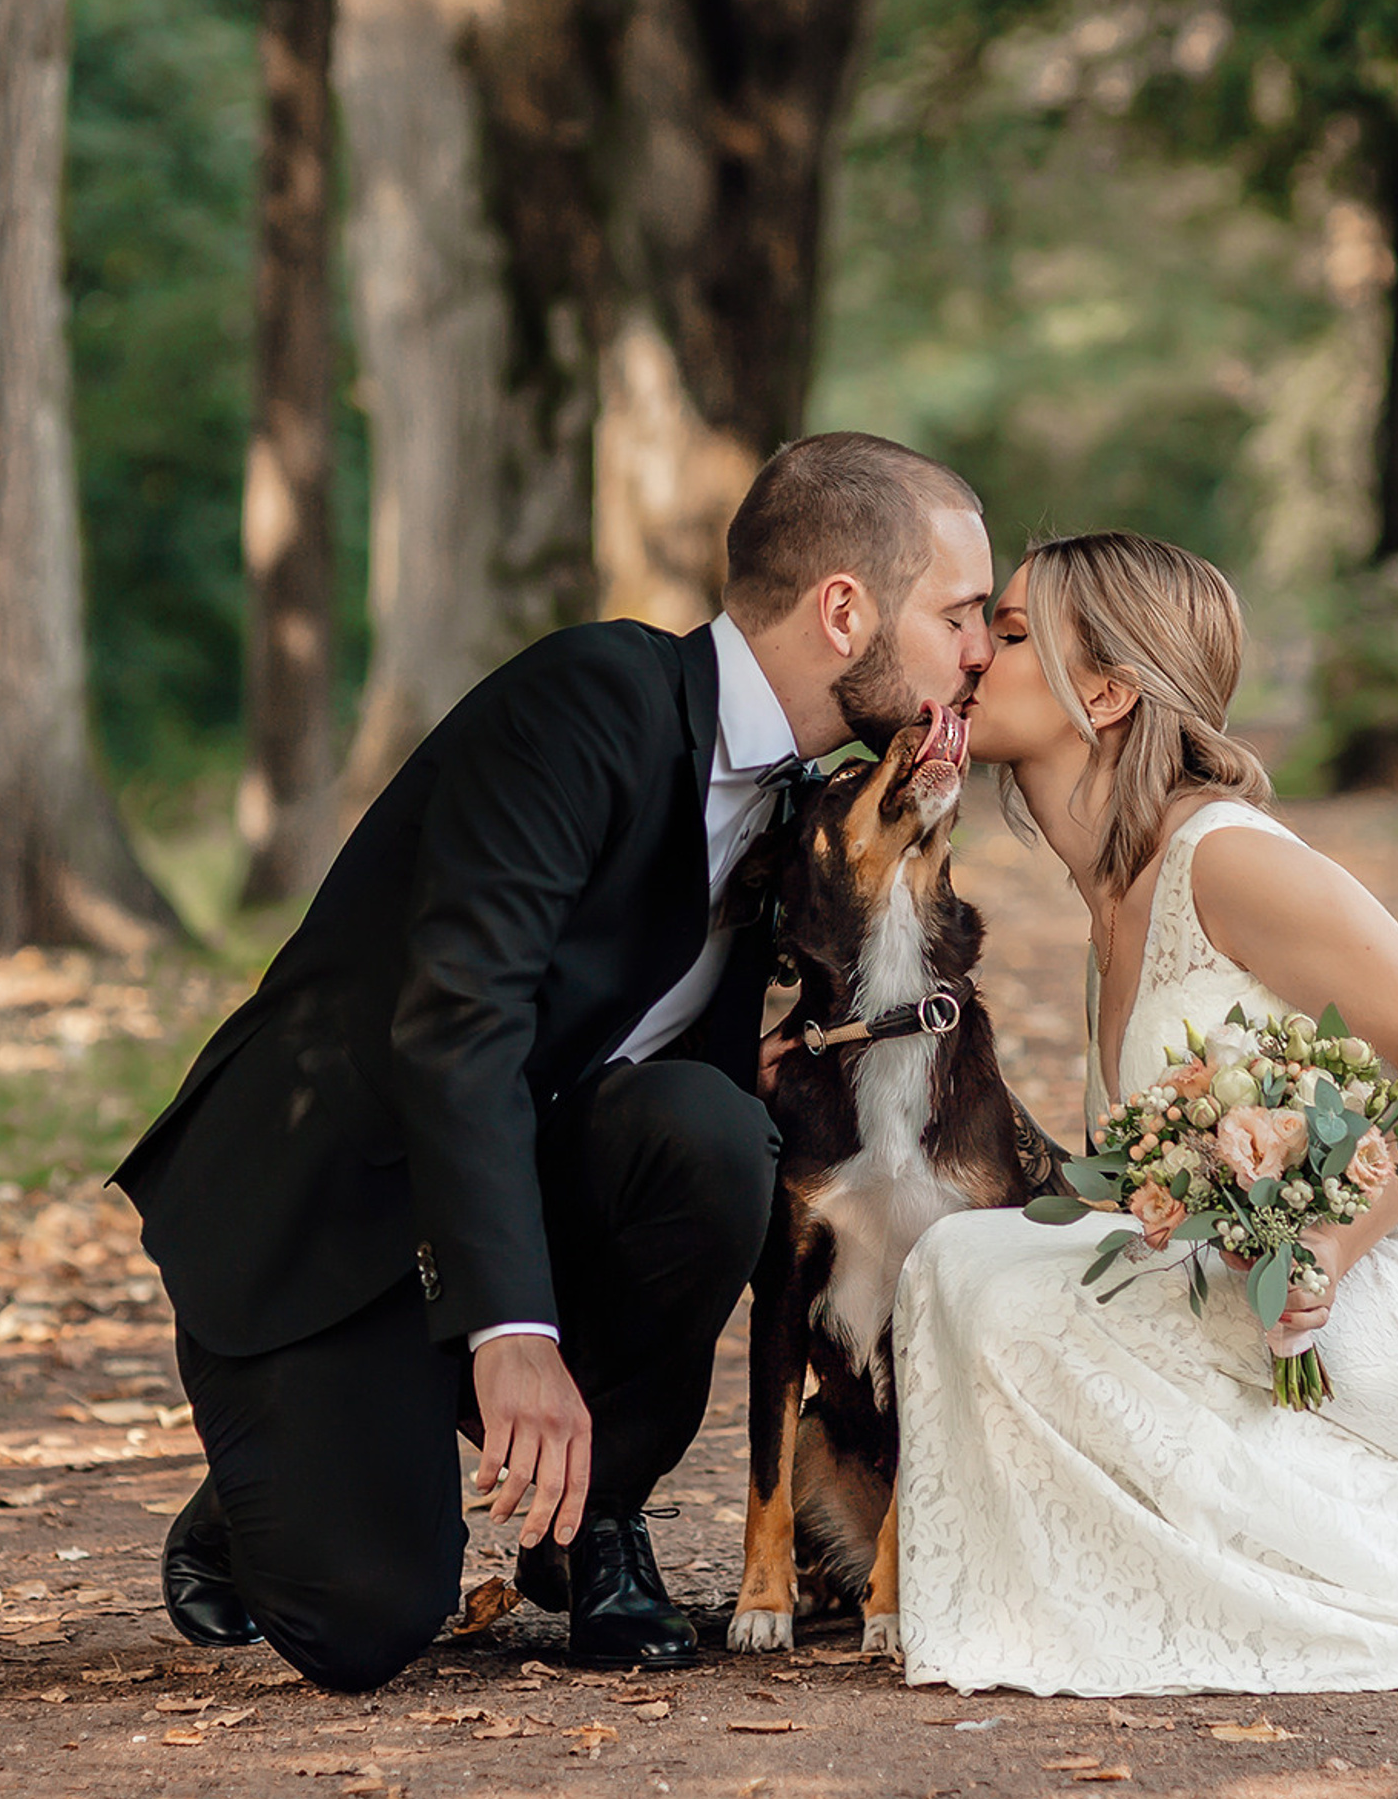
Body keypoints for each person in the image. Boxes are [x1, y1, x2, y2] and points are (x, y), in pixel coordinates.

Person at [114, 433, 993, 1692]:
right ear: (844, 609)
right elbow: (458, 1015)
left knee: (710, 1134)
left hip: (535, 1181)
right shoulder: (590, 698)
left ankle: (593, 1520)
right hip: (335, 1207)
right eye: (961, 615)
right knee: (366, 1624)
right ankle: (271, 1474)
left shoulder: (808, 799)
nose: (978, 650)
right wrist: (514, 1327)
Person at [890, 531, 1398, 1696]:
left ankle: (1395, 1554)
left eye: (1016, 633)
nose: (974, 654)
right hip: (1277, 1270)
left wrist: (1332, 1240)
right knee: (953, 1261)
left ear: (1109, 688)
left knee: (1011, 1292)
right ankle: (1115, 1574)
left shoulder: (1224, 859)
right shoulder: (1110, 904)